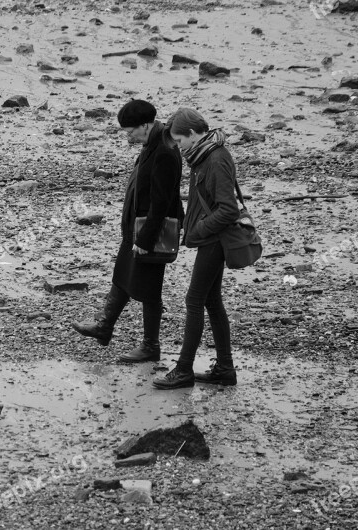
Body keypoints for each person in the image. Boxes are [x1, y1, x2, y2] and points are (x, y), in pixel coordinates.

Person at [72, 100, 184, 363]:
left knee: (150, 289)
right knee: (122, 274)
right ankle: (104, 325)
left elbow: (162, 202)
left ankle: (150, 346)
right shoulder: (152, 142)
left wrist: (145, 240)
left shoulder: (165, 151)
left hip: (150, 231)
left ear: (145, 125)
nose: (129, 136)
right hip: (136, 228)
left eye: (130, 131)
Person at [153, 108, 239, 389]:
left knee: (194, 301)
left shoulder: (216, 158)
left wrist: (197, 232)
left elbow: (227, 209)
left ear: (192, 134)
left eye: (179, 141)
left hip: (215, 241)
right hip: (210, 239)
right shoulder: (203, 155)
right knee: (212, 302)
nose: (179, 147)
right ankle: (224, 369)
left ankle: (184, 370)